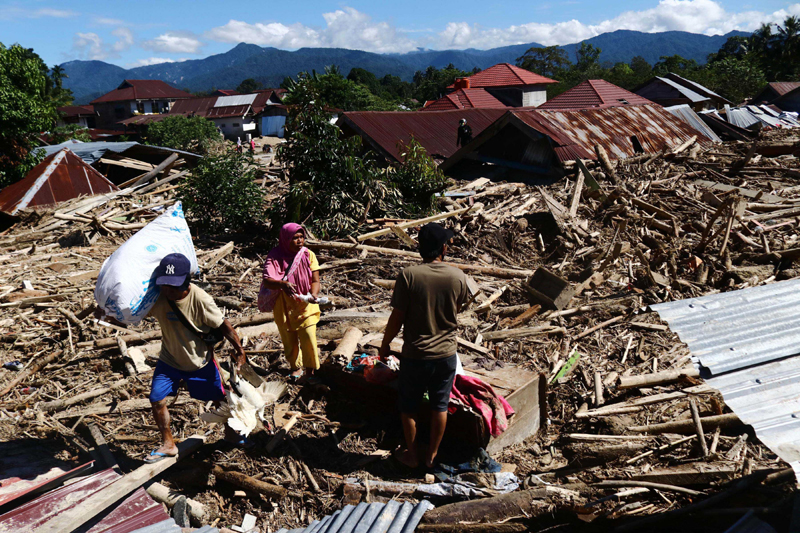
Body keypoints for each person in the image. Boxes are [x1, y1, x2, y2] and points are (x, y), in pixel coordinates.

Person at [380, 223, 469, 470]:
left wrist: (385, 344)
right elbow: (458, 307)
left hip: (415, 354)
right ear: (442, 248)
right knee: (439, 405)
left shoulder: (408, 275)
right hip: (445, 354)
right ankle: (432, 456)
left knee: (408, 407)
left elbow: (396, 318)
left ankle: (411, 454)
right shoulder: (457, 276)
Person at [146, 253, 247, 462]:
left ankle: (231, 434)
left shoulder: (200, 299)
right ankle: (168, 444)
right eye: (165, 285)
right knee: (156, 399)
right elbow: (133, 313)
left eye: (173, 287)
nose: (168, 291)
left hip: (199, 362)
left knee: (220, 399)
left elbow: (224, 325)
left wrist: (239, 349)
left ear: (186, 282)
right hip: (169, 360)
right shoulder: (157, 296)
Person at [259, 223, 322, 383]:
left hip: (305, 303)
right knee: (289, 339)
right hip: (284, 304)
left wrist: (313, 294)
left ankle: (311, 370)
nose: (299, 241)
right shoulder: (275, 256)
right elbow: (267, 280)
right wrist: (282, 284)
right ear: (286, 239)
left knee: (309, 337)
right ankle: (296, 367)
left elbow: (315, 280)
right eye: (295, 238)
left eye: (301, 237)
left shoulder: (308, 255)